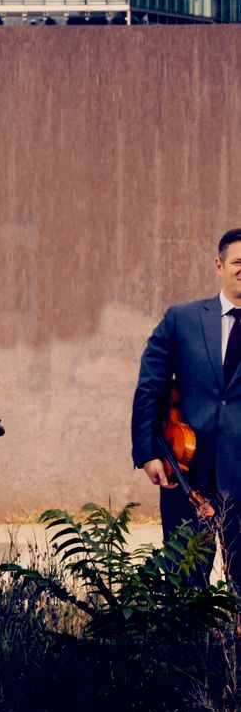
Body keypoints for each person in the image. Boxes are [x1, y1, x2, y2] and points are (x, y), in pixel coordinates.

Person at [132, 228, 241, 588]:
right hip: (187, 470)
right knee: (184, 583)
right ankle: (194, 647)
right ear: (219, 265)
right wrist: (147, 452)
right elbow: (151, 387)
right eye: (237, 262)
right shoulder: (182, 319)